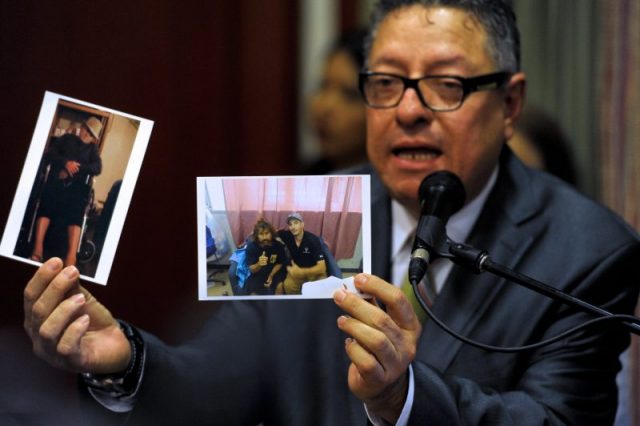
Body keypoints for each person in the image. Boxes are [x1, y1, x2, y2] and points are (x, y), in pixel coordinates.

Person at [22, 1, 640, 424]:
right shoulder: (302, 209)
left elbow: (554, 419)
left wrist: (404, 397)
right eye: (385, 84)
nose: (409, 110)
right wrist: (124, 361)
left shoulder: (585, 249)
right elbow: (219, 381)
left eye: (446, 85)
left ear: (510, 103)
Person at [30, 116, 103, 267]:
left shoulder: (92, 150)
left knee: (77, 208)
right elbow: (49, 154)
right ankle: (38, 249)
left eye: (91, 134)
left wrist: (76, 168)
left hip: (75, 190)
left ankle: (71, 257)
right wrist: (65, 163)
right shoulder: (66, 138)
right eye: (86, 130)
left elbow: (97, 168)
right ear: (81, 128)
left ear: (93, 139)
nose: (86, 135)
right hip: (56, 183)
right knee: (47, 201)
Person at [303, 28, 369, 174]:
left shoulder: (397, 192)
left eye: (349, 95)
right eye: (323, 86)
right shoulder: (300, 187)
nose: (323, 108)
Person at [275, 212, 327, 295]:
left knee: (321, 289)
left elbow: (322, 268)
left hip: (314, 273)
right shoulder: (287, 236)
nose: (293, 227)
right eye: (290, 224)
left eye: (296, 223)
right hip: (296, 272)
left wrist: (301, 272)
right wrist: (253, 236)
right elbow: (272, 232)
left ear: (302, 224)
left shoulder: (312, 240)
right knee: (288, 285)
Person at [244, 219, 287, 295]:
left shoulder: (278, 245)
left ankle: (278, 306)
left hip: (274, 272)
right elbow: (252, 269)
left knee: (280, 286)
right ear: (257, 236)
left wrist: (271, 275)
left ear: (271, 233)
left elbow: (280, 263)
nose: (264, 237)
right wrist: (259, 264)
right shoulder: (251, 247)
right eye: (261, 234)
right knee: (253, 294)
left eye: (267, 233)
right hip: (258, 273)